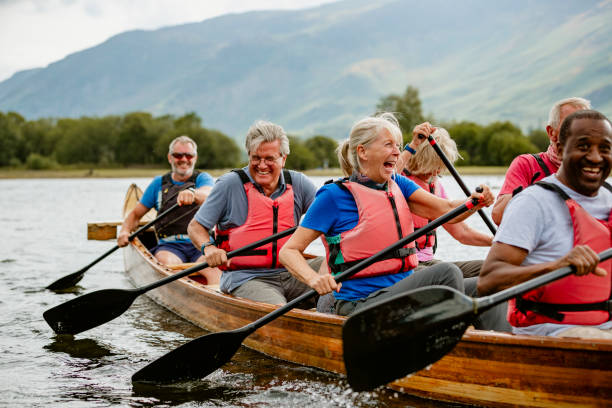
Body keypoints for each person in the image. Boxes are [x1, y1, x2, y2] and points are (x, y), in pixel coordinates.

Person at [279, 112, 496, 322]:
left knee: (489, 284)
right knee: (446, 273)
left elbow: (447, 209)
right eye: (388, 145)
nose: (396, 152)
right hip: (360, 304)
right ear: (363, 152)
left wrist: (475, 201)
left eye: (398, 146)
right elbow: (289, 252)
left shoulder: (399, 185)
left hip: (401, 292)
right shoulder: (333, 196)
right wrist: (314, 279)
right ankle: (444, 338)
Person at [479, 110, 612, 338]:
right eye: (583, 146)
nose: (595, 157)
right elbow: (488, 281)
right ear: (560, 149)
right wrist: (555, 266)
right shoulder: (532, 202)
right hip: (550, 332)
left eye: (605, 148)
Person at [187, 120, 321, 306]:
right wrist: (209, 248)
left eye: (269, 159)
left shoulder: (299, 183)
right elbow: (196, 227)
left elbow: (329, 218)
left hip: (293, 272)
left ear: (283, 158)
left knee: (342, 268)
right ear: (249, 155)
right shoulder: (229, 185)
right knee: (277, 308)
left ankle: (329, 314)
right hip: (247, 278)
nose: (262, 165)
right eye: (256, 158)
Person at [118, 135, 221, 285]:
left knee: (215, 266)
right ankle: (187, 295)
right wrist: (124, 231)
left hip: (202, 243)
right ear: (170, 158)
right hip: (170, 246)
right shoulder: (158, 183)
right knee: (166, 263)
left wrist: (193, 193)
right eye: (178, 155)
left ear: (195, 158)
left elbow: (209, 195)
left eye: (188, 155)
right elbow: (135, 215)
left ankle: (216, 296)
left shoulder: (203, 178)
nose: (184, 159)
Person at [397, 123, 493, 278]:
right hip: (406, 265)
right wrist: (413, 144)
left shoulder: (436, 186)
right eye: (432, 166)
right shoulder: (398, 182)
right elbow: (386, 175)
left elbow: (462, 232)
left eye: (440, 167)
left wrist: (496, 241)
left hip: (429, 263)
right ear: (419, 159)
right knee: (448, 273)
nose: (436, 172)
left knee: (490, 269)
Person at [492, 97, 591, 225]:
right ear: (551, 132)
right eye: (570, 125)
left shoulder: (595, 170)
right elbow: (498, 216)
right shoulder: (526, 164)